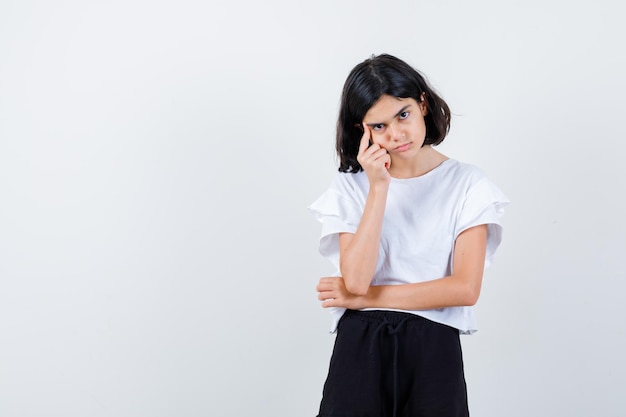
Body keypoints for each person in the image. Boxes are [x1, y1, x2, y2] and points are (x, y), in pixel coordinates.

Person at [308, 53, 510, 417]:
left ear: (423, 104)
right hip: (361, 346)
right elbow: (355, 279)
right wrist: (379, 188)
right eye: (379, 126)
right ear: (362, 130)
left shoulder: (468, 185)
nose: (397, 135)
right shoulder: (351, 189)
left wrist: (365, 299)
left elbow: (464, 289)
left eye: (403, 115)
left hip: (434, 343)